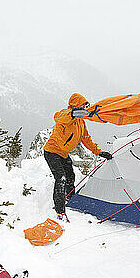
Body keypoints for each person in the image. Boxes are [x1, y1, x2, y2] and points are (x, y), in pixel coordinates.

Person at [44, 93, 112, 221]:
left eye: (86, 105)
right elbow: (58, 117)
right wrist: (73, 113)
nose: (85, 107)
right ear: (76, 105)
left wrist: (98, 152)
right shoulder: (66, 115)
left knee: (70, 175)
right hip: (52, 152)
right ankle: (60, 211)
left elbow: (86, 139)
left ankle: (70, 198)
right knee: (61, 178)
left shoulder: (81, 123)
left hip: (63, 154)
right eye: (83, 105)